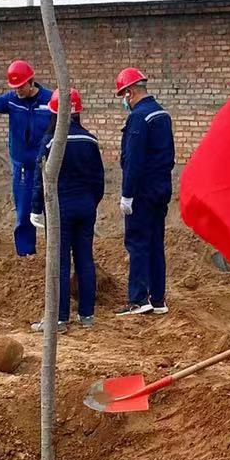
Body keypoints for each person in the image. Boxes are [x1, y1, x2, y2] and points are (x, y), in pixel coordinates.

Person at [30, 89, 105, 332]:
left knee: (60, 262)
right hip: (86, 207)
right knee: (85, 259)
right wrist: (92, 203)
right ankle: (87, 316)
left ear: (54, 113)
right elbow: (99, 179)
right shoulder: (90, 140)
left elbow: (40, 177)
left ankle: (59, 319)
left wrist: (36, 208)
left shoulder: (51, 141)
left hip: (60, 209)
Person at [0, 60, 54, 257]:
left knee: (51, 212)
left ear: (31, 82)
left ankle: (55, 256)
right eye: (14, 87)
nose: (17, 91)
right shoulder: (13, 100)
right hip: (23, 169)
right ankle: (25, 256)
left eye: (21, 86)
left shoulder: (49, 100)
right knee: (23, 213)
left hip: (46, 169)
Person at [116, 67, 175, 316]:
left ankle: (138, 299)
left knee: (138, 243)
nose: (124, 101)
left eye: (123, 95)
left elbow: (134, 160)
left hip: (142, 192)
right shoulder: (162, 114)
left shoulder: (139, 118)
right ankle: (158, 299)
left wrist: (127, 194)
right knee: (155, 243)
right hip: (161, 188)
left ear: (130, 92)